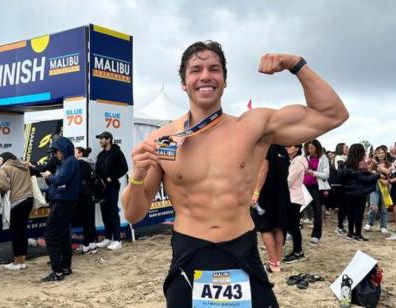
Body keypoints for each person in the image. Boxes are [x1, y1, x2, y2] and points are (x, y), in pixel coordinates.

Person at [121, 41, 348, 307]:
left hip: (241, 247)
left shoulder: (252, 128)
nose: (205, 76)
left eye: (214, 69)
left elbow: (332, 114)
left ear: (225, 80)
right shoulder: (162, 139)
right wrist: (137, 175)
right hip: (190, 250)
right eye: (196, 70)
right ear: (184, 82)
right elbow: (133, 214)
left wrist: (295, 64)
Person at [40, 137, 80, 282]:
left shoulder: (69, 162)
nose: (55, 155)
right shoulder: (67, 162)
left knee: (51, 236)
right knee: (62, 236)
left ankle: (57, 272)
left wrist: (49, 176)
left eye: (56, 151)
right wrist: (50, 177)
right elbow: (59, 180)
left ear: (63, 150)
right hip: (64, 202)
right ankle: (65, 267)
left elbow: (60, 180)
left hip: (63, 203)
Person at [251, 144, 290, 272]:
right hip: (282, 192)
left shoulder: (266, 148)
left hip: (267, 192)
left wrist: (256, 192)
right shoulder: (283, 150)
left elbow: (263, 170)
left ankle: (273, 263)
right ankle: (277, 262)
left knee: (264, 227)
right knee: (279, 226)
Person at [0, 152, 33, 270]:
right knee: (23, 231)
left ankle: (17, 262)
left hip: (16, 201)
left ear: (5, 159)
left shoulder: (4, 168)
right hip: (29, 199)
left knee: (16, 232)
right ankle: (22, 261)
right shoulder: (24, 166)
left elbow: (4, 186)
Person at [339, 144, 380, 241]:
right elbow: (365, 179)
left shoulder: (345, 164)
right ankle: (358, 234)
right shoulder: (361, 164)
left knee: (350, 213)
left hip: (348, 192)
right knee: (358, 213)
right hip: (360, 192)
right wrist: (377, 175)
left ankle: (350, 233)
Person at [95, 131, 129, 251]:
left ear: (108, 139)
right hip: (102, 188)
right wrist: (99, 180)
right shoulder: (100, 155)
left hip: (113, 186)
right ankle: (108, 238)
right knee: (104, 212)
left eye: (101, 139)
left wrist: (112, 177)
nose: (100, 141)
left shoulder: (117, 153)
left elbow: (124, 168)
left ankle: (117, 240)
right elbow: (97, 170)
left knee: (113, 211)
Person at [283, 144, 308, 263]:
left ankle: (298, 252)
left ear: (297, 148)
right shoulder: (294, 161)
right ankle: (296, 251)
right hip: (293, 196)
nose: (287, 148)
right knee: (292, 225)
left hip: (293, 197)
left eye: (289, 146)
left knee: (293, 226)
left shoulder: (297, 162)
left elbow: (289, 181)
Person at [303, 139, 330, 244]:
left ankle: (316, 235)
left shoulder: (323, 158)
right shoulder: (305, 158)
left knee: (317, 211)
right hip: (304, 186)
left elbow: (326, 175)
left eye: (312, 148)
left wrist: (313, 173)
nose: (310, 150)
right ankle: (292, 231)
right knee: (298, 209)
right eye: (308, 148)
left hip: (316, 188)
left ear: (317, 148)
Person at [75, 146, 98, 254]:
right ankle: (92, 244)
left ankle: (86, 245)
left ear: (80, 153)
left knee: (85, 221)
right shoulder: (90, 163)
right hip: (91, 194)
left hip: (83, 195)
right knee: (90, 220)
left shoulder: (79, 163)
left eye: (75, 151)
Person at [364, 145, 391, 233]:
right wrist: (372, 171)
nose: (381, 155)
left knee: (383, 208)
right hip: (374, 187)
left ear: (385, 153)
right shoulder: (373, 163)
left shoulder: (388, 164)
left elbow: (389, 174)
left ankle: (383, 226)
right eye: (379, 153)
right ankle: (369, 223)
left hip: (385, 188)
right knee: (373, 207)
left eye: (382, 152)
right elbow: (367, 171)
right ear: (376, 154)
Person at [332, 143, 348, 235]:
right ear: (341, 149)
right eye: (346, 147)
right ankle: (339, 226)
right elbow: (341, 166)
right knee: (342, 206)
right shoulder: (338, 157)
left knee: (345, 206)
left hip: (346, 184)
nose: (347, 149)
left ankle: (343, 225)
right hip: (341, 184)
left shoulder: (345, 157)